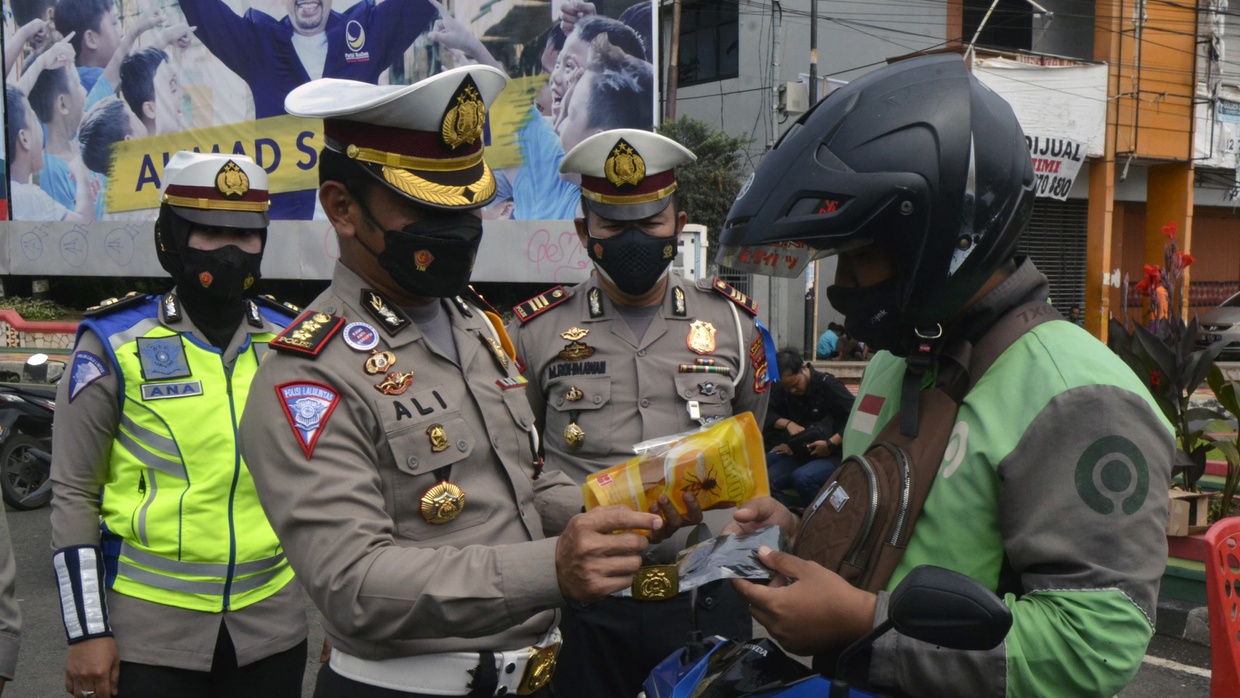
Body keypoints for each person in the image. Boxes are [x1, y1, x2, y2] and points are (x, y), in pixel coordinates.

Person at [716, 53, 1173, 697]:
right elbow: (901, 533)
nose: (844, 287)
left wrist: (865, 624)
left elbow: (1093, 646)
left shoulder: (1076, 395)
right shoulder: (897, 359)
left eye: (861, 258)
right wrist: (794, 536)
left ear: (938, 245)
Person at [237, 67, 683, 698]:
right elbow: (352, 585)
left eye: (468, 203)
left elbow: (521, 484)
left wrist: (620, 513)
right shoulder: (310, 371)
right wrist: (552, 567)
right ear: (342, 207)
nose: (459, 228)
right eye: (427, 206)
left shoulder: (474, 325)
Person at [509, 128, 770, 698]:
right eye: (612, 225)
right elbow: (518, 464)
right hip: (586, 607)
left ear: (679, 224)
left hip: (705, 599)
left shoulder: (732, 325)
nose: (634, 239)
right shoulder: (534, 333)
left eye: (651, 223)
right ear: (584, 232)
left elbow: (751, 434)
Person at [49, 152, 309, 698]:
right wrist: (87, 632)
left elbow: (331, 485)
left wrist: (353, 619)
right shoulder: (115, 342)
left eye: (246, 234)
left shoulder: (291, 341)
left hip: (272, 630)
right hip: (149, 636)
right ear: (172, 237)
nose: (232, 250)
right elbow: (74, 493)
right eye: (210, 231)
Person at [763, 348, 854, 505]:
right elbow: (767, 414)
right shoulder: (783, 389)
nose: (793, 391)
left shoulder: (827, 385)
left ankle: (822, 514)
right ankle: (794, 513)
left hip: (833, 452)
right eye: (787, 388)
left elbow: (856, 416)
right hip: (803, 451)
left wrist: (831, 443)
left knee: (803, 478)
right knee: (764, 476)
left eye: (795, 385)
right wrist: (788, 425)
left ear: (804, 368)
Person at [5, 84, 93, 222]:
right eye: (34, 119)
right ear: (24, 138)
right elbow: (86, 228)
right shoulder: (28, 199)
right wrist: (82, 174)